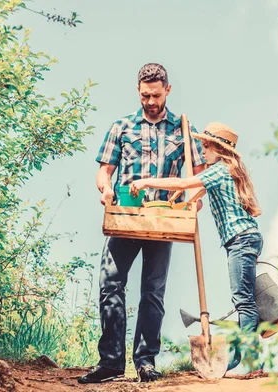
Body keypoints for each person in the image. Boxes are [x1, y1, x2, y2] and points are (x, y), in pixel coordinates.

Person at [78, 63, 205, 384]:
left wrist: (195, 196)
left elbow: (200, 175)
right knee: (110, 285)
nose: (150, 101)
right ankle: (110, 362)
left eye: (156, 95)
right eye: (146, 95)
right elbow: (104, 171)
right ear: (138, 91)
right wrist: (105, 189)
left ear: (168, 91)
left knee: (153, 292)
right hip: (125, 217)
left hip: (166, 220)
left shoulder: (184, 129)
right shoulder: (121, 127)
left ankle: (146, 362)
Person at [130, 122, 263, 371]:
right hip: (245, 238)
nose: (202, 151)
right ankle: (245, 357)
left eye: (205, 145)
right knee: (245, 299)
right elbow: (198, 190)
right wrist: (183, 199)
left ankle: (251, 361)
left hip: (240, 239)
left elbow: (184, 183)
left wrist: (148, 182)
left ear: (218, 148)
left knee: (243, 301)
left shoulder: (219, 170)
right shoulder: (224, 171)